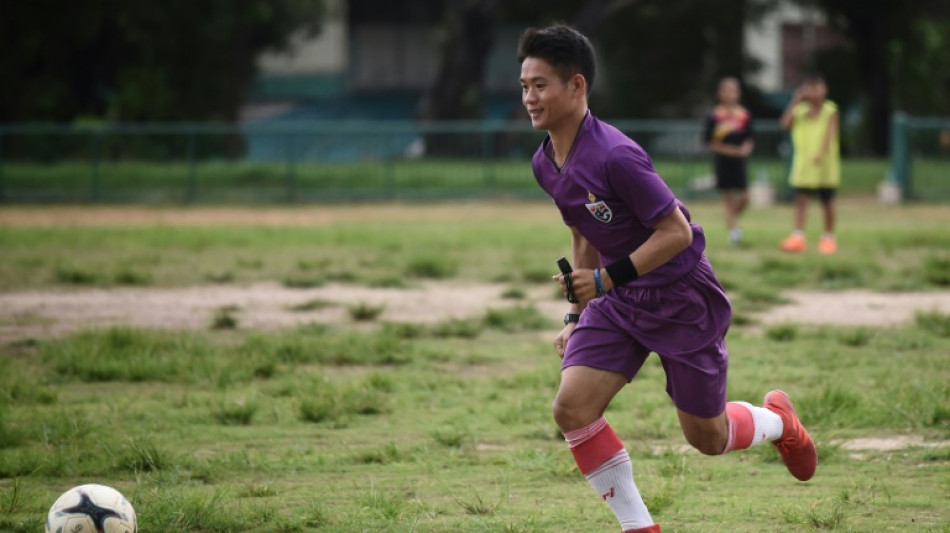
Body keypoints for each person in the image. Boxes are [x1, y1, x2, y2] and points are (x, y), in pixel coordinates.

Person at [518, 25, 817, 533]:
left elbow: (677, 232)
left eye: (540, 85)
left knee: (707, 438)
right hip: (619, 300)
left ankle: (778, 421)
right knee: (572, 408)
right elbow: (582, 230)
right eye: (525, 86)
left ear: (577, 85)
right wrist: (575, 314)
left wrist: (605, 279)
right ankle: (640, 527)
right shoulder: (544, 163)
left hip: (680, 297)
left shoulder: (615, 154)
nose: (529, 97)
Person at [778, 74, 840, 254]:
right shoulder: (800, 110)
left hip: (824, 166)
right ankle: (798, 236)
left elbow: (831, 134)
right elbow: (785, 124)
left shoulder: (830, 110)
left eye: (816, 87)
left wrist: (822, 152)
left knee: (827, 201)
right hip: (804, 165)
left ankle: (828, 237)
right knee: (801, 200)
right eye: (809, 88)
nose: (813, 92)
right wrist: (794, 101)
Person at [703, 77, 754, 245]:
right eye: (727, 90)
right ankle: (734, 230)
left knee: (745, 198)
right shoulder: (714, 116)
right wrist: (728, 150)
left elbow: (749, 137)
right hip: (723, 161)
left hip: (740, 162)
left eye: (734, 90)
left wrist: (746, 148)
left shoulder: (744, 115)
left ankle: (731, 219)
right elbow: (709, 141)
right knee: (727, 196)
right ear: (720, 94)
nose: (731, 94)